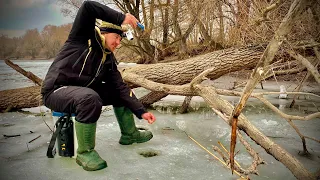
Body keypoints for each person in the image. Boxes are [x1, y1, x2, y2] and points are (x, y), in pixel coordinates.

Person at [41, 1, 156, 171]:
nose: (118, 43)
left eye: (120, 40)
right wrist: (122, 17)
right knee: (89, 97)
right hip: (56, 91)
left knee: (117, 93)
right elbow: (88, 6)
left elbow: (120, 88)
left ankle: (130, 134)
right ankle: (85, 152)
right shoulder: (82, 37)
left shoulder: (108, 59)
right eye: (116, 37)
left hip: (82, 93)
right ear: (105, 33)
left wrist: (141, 111)